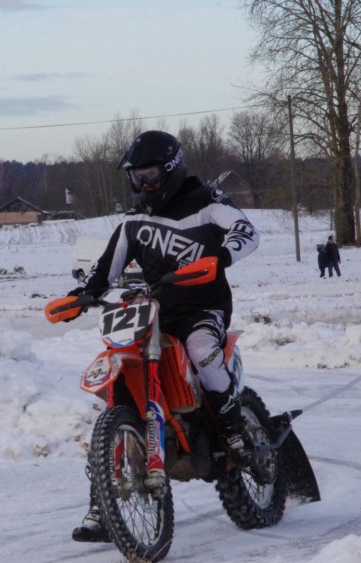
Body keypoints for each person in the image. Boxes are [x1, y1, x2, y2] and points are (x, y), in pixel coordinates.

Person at [67, 130, 261, 542]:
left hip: (203, 306)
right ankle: (102, 501)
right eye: (136, 176)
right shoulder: (134, 221)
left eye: (150, 174)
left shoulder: (207, 202)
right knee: (120, 381)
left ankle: (232, 429)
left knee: (201, 347)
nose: (143, 183)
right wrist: (81, 295)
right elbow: (105, 267)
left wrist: (221, 256)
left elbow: (247, 232)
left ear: (171, 168)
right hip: (154, 311)